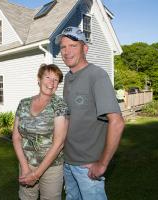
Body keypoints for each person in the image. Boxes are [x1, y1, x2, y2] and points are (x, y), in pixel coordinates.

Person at [55, 26, 125, 199]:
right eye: (63, 47)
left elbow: (117, 122)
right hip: (68, 162)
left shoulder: (97, 76)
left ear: (85, 48)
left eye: (73, 46)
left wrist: (102, 163)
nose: (67, 51)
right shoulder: (69, 78)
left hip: (87, 166)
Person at [12, 64, 69, 200]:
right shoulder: (23, 103)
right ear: (39, 79)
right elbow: (16, 137)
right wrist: (26, 168)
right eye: (48, 77)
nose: (51, 83)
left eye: (56, 80)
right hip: (26, 163)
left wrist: (36, 174)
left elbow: (59, 143)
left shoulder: (60, 106)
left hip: (51, 167)